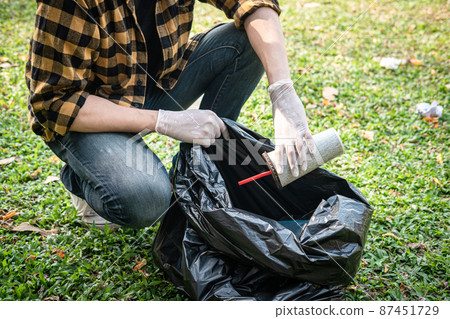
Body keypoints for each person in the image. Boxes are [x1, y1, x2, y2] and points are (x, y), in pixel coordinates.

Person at [26, 0, 315, 229]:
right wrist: (162, 120)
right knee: (147, 201)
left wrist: (282, 91)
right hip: (89, 112)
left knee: (246, 42)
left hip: (154, 83)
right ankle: (81, 177)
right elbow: (53, 101)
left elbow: (256, 4)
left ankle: (207, 170)